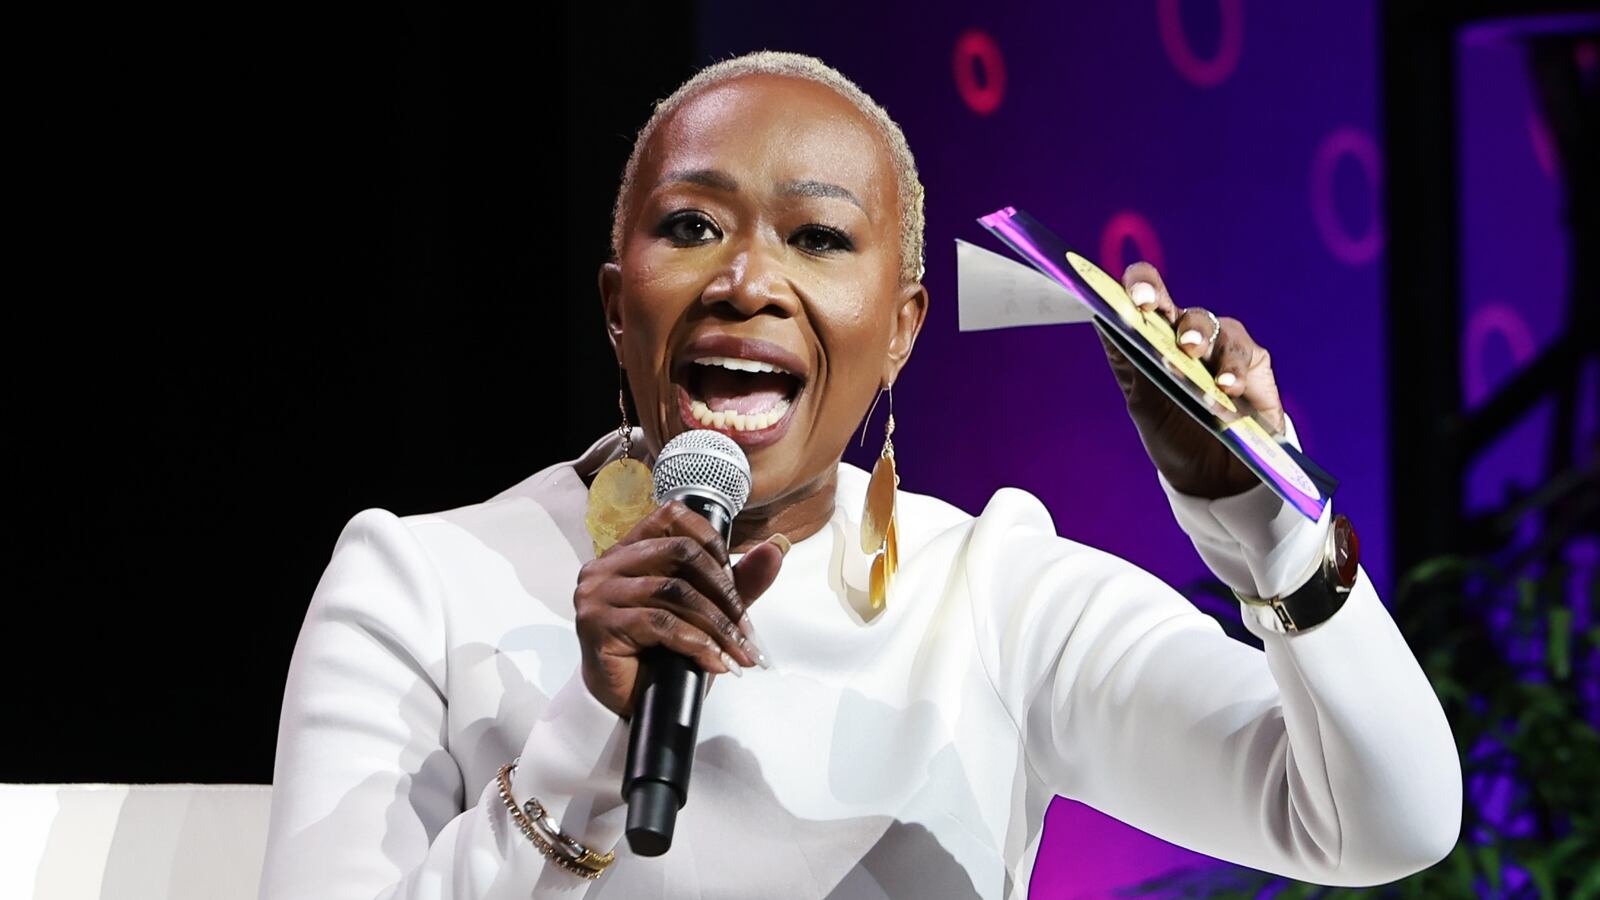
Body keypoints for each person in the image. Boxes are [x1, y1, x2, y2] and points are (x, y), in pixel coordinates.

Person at [258, 51, 1462, 899]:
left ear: (899, 329)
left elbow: (1380, 824)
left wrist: (1269, 533)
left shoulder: (991, 595)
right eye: (691, 227)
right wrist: (588, 729)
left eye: (818, 238)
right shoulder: (420, 580)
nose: (746, 280)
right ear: (617, 310)